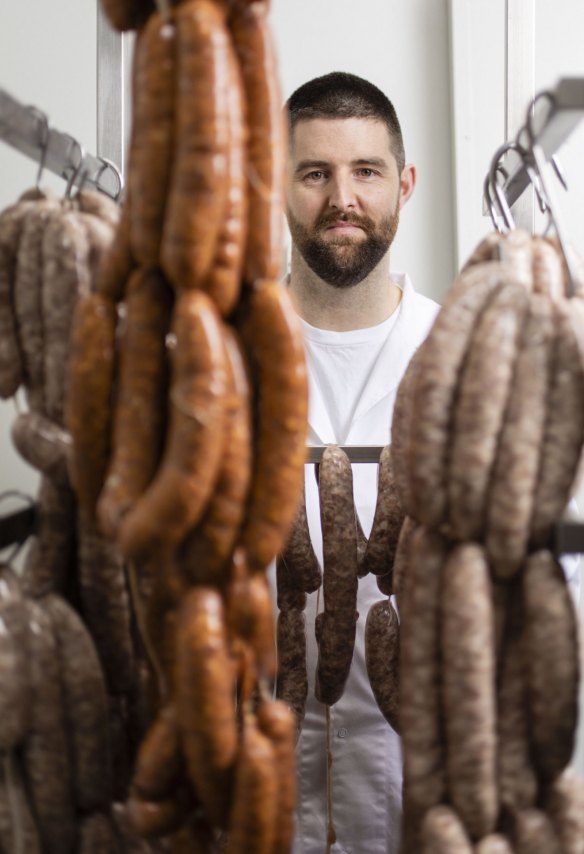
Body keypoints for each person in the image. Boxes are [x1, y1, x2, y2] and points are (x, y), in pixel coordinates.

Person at [278, 71, 441, 854]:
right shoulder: (212, 358)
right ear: (275, 184)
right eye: (315, 173)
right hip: (257, 791)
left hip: (418, 792)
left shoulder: (462, 358)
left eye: (366, 172)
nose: (342, 198)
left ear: (404, 185)